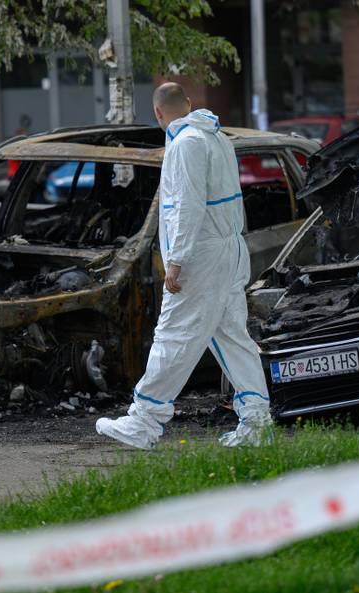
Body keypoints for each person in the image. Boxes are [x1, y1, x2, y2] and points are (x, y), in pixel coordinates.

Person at [95, 82, 272, 450]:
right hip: (226, 250)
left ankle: (144, 420)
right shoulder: (216, 138)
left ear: (158, 113)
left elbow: (188, 206)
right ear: (188, 104)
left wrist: (176, 261)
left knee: (173, 335)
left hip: (201, 256)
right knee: (232, 338)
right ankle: (257, 421)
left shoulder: (185, 145)